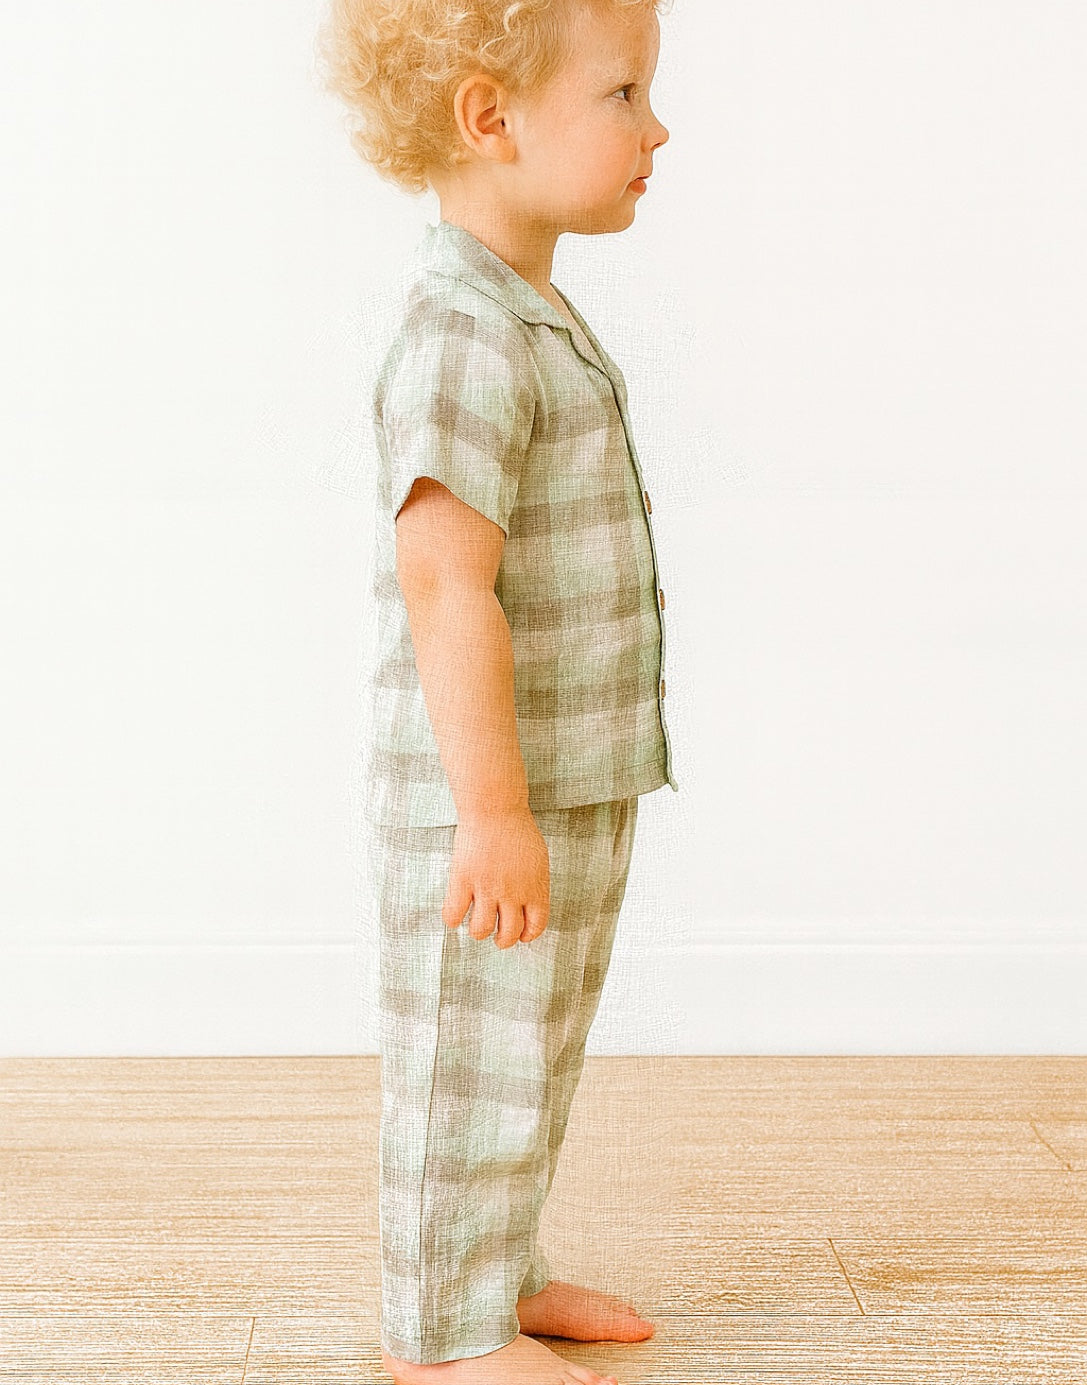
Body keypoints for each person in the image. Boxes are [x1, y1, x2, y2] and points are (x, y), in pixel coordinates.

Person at [316, 1, 677, 1379]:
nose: (657, 128)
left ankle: (499, 1268)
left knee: (530, 1059)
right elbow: (444, 583)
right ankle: (443, 1334)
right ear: (491, 117)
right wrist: (492, 811)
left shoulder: (522, 309)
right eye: (627, 93)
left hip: (568, 775)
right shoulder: (461, 333)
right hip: (494, 796)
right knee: (467, 1058)